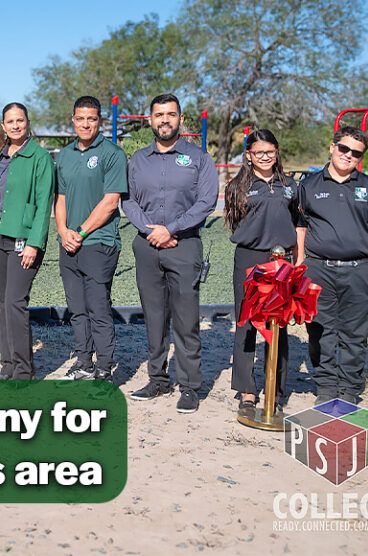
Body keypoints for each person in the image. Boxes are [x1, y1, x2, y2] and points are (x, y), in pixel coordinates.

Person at [124, 93, 217, 414]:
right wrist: (151, 230)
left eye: (171, 114)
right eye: (159, 114)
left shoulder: (198, 158)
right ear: (150, 119)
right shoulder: (138, 160)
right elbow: (128, 200)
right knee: (154, 317)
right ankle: (158, 379)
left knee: (186, 319)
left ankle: (189, 386)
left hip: (184, 245)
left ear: (180, 119)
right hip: (147, 246)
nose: (165, 120)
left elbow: (206, 202)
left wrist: (171, 229)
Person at [296, 126, 368, 405]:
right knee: (319, 331)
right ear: (332, 147)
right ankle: (326, 387)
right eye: (344, 148)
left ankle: (349, 390)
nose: (348, 155)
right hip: (318, 270)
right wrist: (301, 266)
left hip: (359, 271)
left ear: (361, 157)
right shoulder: (309, 185)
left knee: (354, 334)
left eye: (356, 153)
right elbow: (300, 228)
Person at [0, 102, 55, 380]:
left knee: (15, 301)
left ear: (27, 123)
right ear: (3, 126)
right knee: (0, 302)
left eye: (20, 120)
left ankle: (23, 370)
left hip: (23, 238)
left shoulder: (40, 158)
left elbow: (44, 204)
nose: (15, 125)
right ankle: (8, 364)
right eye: (10, 121)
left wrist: (34, 243)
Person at [223, 129, 297, 413]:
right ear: (249, 155)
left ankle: (275, 390)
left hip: (281, 260)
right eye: (259, 152)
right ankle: (246, 390)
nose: (265, 157)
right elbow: (236, 222)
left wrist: (294, 258)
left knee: (278, 324)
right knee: (247, 322)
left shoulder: (290, 185)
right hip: (250, 258)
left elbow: (297, 220)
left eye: (270, 151)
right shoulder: (237, 186)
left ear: (277, 152)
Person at [54, 96, 128, 381]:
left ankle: (104, 367)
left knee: (98, 307)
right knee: (77, 309)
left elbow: (110, 202)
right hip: (68, 244)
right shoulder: (65, 155)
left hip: (99, 242)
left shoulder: (112, 154)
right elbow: (60, 198)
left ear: (100, 121)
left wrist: (81, 232)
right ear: (73, 120)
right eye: (81, 118)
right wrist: (63, 232)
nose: (86, 124)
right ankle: (83, 362)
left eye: (92, 119)